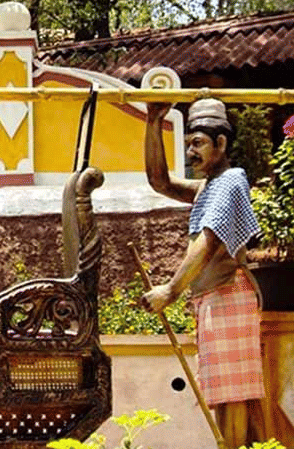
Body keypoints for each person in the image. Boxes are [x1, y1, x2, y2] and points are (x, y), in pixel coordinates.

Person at [141, 98, 266, 447]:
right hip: (215, 301)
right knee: (226, 399)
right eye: (188, 144)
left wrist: (171, 289)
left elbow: (209, 240)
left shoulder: (230, 181)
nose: (191, 152)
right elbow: (159, 181)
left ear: (221, 144)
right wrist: (153, 121)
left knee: (232, 401)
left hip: (229, 297)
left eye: (198, 143)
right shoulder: (209, 187)